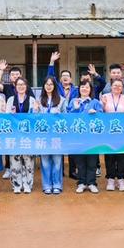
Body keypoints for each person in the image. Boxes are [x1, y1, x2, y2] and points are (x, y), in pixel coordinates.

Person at [0, 60, 35, 180]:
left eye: (17, 74)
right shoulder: (7, 88)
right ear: (10, 76)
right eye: (13, 74)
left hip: (25, 124)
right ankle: (9, 168)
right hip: (12, 122)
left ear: (21, 76)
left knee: (24, 146)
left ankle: (25, 170)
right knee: (11, 145)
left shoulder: (27, 88)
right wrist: (1, 70)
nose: (15, 76)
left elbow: (33, 104)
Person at [45, 52, 81, 180]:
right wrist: (52, 62)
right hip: (58, 122)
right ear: (60, 79)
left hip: (72, 121)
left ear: (71, 79)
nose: (65, 77)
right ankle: (60, 171)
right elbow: (50, 76)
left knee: (71, 145)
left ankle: (73, 171)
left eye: (67, 76)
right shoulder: (57, 88)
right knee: (58, 144)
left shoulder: (77, 90)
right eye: (63, 76)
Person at [67, 80, 103, 193]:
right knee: (80, 162)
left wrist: (96, 113)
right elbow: (68, 117)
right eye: (82, 87)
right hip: (77, 137)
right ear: (79, 89)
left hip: (92, 138)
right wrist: (75, 109)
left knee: (92, 162)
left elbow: (103, 118)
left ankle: (92, 183)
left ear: (90, 89)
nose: (84, 89)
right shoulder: (73, 101)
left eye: (87, 87)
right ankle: (81, 183)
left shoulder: (95, 102)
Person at [6, 77, 38, 194]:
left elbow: (36, 117)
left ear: (26, 86)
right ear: (15, 87)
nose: (20, 86)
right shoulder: (10, 100)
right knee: (15, 161)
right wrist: (11, 114)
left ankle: (28, 184)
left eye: (23, 84)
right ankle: (17, 185)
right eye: (18, 84)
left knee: (28, 161)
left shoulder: (32, 100)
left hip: (28, 135)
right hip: (14, 135)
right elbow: (6, 117)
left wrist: (35, 111)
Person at [101, 79, 124, 191]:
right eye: (115, 85)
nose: (117, 87)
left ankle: (121, 179)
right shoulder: (105, 97)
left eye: (120, 86)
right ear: (111, 86)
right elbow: (100, 113)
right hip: (108, 132)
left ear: (122, 88)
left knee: (122, 156)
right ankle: (110, 179)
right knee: (109, 155)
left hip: (122, 133)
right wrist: (102, 105)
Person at [38, 76, 65, 195]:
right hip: (43, 137)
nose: (49, 86)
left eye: (51, 84)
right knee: (45, 162)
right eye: (47, 84)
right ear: (43, 86)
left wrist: (61, 115)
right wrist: (35, 110)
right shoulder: (38, 100)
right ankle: (47, 185)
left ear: (55, 86)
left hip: (56, 137)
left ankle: (57, 185)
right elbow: (34, 118)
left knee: (57, 161)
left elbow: (67, 118)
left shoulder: (62, 100)